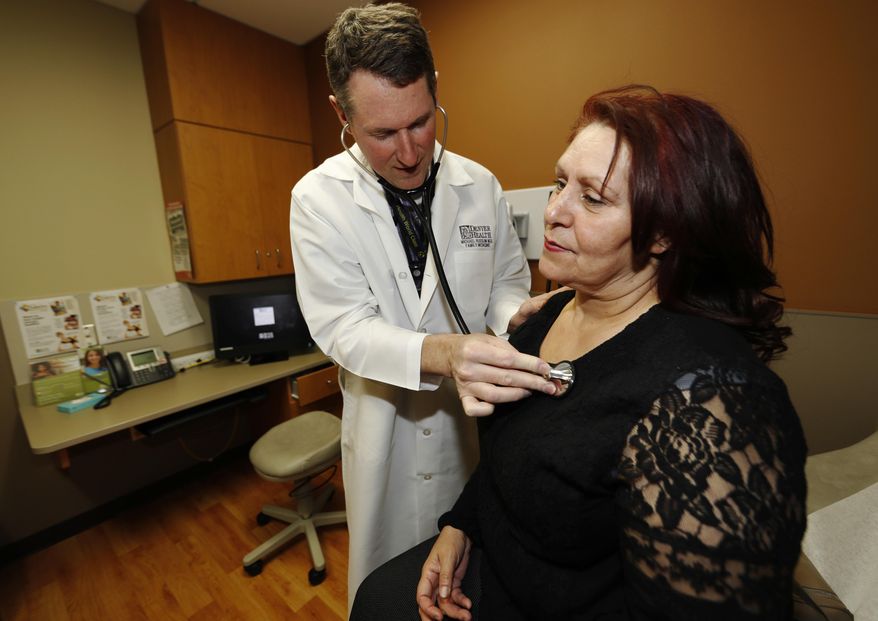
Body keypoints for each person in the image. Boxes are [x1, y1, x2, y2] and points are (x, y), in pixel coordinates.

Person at [349, 85, 808, 620]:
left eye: (593, 198)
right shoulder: (552, 310)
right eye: (560, 183)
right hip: (492, 576)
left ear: (665, 232)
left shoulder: (711, 404)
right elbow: (513, 449)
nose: (553, 212)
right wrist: (462, 524)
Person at [288, 2, 558, 609]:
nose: (409, 153)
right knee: (388, 594)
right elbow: (343, 329)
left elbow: (506, 283)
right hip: (386, 427)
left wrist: (513, 316)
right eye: (382, 133)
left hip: (468, 431)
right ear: (341, 113)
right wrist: (446, 353)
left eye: (421, 122)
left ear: (435, 90)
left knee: (465, 578)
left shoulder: (479, 185)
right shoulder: (318, 200)